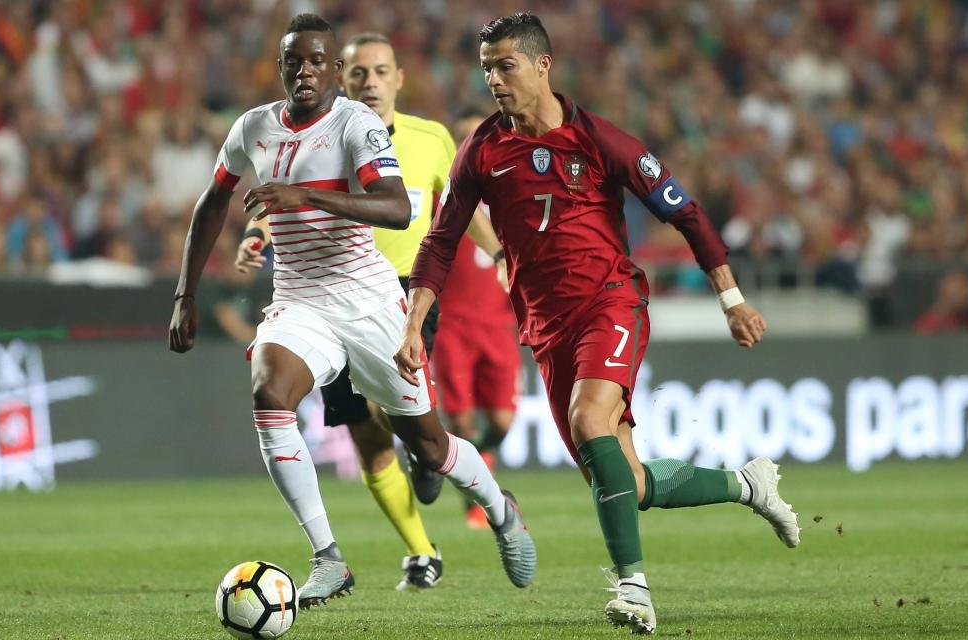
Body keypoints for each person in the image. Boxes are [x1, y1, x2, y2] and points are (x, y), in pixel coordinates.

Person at [395, 13, 799, 635]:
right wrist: (415, 320)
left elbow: (686, 213)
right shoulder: (482, 148)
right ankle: (747, 484)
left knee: (589, 421)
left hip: (611, 303)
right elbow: (442, 240)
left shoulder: (601, 140)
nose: (494, 80)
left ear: (541, 65)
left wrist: (732, 299)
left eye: (505, 66)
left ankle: (633, 588)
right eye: (486, 69)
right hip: (545, 328)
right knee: (626, 482)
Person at [168, 14, 536, 609]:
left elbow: (395, 209)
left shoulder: (356, 124)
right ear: (281, 67)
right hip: (299, 299)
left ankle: (500, 512)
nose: (306, 71)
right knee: (269, 394)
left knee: (432, 447)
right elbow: (213, 202)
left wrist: (304, 194)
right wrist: (185, 294)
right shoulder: (253, 128)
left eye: (318, 61)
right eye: (295, 61)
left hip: (369, 301)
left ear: (332, 70)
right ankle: (328, 559)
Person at [235, 32, 504, 589]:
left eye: (381, 71)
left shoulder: (431, 140)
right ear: (343, 77)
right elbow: (282, 195)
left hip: (404, 293)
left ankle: (435, 462)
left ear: (399, 78)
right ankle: (420, 550)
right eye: (359, 73)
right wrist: (257, 233)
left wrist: (499, 253)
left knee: (408, 425)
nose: (370, 82)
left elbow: (455, 211)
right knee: (366, 434)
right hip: (321, 297)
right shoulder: (323, 130)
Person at [433, 109, 522, 529]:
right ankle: (476, 503)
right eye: (465, 137)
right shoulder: (442, 196)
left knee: (503, 421)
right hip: (453, 325)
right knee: (463, 421)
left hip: (497, 325)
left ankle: (479, 467)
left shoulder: (513, 192)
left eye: (479, 136)